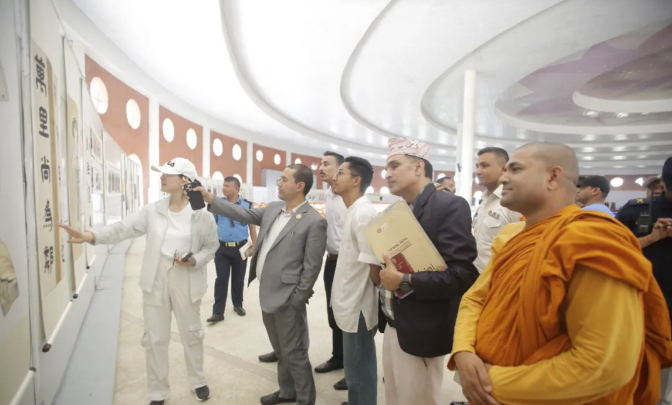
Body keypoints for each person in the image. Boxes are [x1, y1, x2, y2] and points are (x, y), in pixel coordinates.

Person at [449, 143, 672, 405]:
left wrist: (491, 383)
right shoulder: (510, 237)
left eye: (515, 169)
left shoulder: (591, 240)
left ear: (553, 177)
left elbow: (604, 364)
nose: (504, 178)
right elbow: (475, 298)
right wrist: (463, 351)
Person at [59, 158, 219, 405]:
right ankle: (157, 392)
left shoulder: (202, 215)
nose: (161, 177)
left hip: (186, 278)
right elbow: (123, 228)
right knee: (155, 338)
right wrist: (91, 235)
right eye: (161, 173)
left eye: (167, 174)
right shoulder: (153, 211)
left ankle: (197, 381)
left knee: (192, 334)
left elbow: (211, 246)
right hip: (155, 278)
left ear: (184, 180)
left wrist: (194, 259)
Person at [196, 164, 327, 405]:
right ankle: (287, 391)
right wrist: (209, 198)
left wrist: (298, 299)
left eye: (284, 179)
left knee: (295, 352)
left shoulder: (313, 221)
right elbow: (242, 214)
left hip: (288, 299)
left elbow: (312, 268)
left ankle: (305, 399)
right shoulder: (274, 208)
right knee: (280, 349)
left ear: (299, 186)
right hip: (267, 293)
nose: (278, 183)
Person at [379, 137, 478, 405]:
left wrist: (404, 279)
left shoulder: (449, 206)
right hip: (394, 323)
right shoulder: (399, 211)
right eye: (386, 168)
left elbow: (462, 275)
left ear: (418, 167)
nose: (387, 174)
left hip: (422, 327)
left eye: (394, 165)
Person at [617, 157, 672, 405]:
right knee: (639, 359)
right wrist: (651, 238)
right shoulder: (636, 209)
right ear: (662, 184)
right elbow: (613, 250)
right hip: (643, 298)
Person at [331, 156, 380, 405]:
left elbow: (374, 265)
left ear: (356, 180)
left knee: (360, 370)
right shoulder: (352, 210)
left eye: (341, 172)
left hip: (358, 304)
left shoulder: (364, 213)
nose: (334, 177)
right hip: (349, 299)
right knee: (353, 368)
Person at [207, 176, 257, 322]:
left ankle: (238, 305)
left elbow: (252, 228)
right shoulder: (219, 204)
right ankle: (218, 312)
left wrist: (254, 246)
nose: (224, 188)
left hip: (241, 248)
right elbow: (214, 225)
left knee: (238, 279)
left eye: (227, 186)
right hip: (222, 248)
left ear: (236, 188)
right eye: (224, 185)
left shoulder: (247, 205)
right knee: (221, 280)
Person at [472, 147, 522, 273]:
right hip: (476, 275)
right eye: (477, 166)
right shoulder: (484, 200)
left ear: (503, 169)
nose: (478, 171)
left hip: (499, 277)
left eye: (484, 166)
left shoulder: (514, 202)